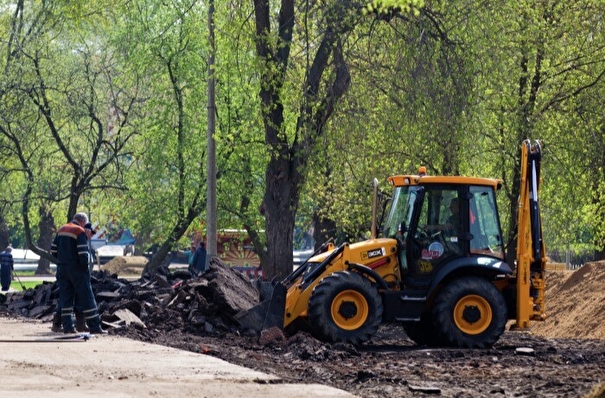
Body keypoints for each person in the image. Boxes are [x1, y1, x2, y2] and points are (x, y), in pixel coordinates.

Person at [50, 212, 106, 334]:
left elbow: (53, 250)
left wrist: (63, 260)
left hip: (62, 269)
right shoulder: (79, 231)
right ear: (83, 222)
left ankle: (68, 327)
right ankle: (95, 327)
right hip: (77, 270)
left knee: (66, 299)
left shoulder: (61, 229)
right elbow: (83, 254)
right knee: (87, 297)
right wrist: (85, 268)